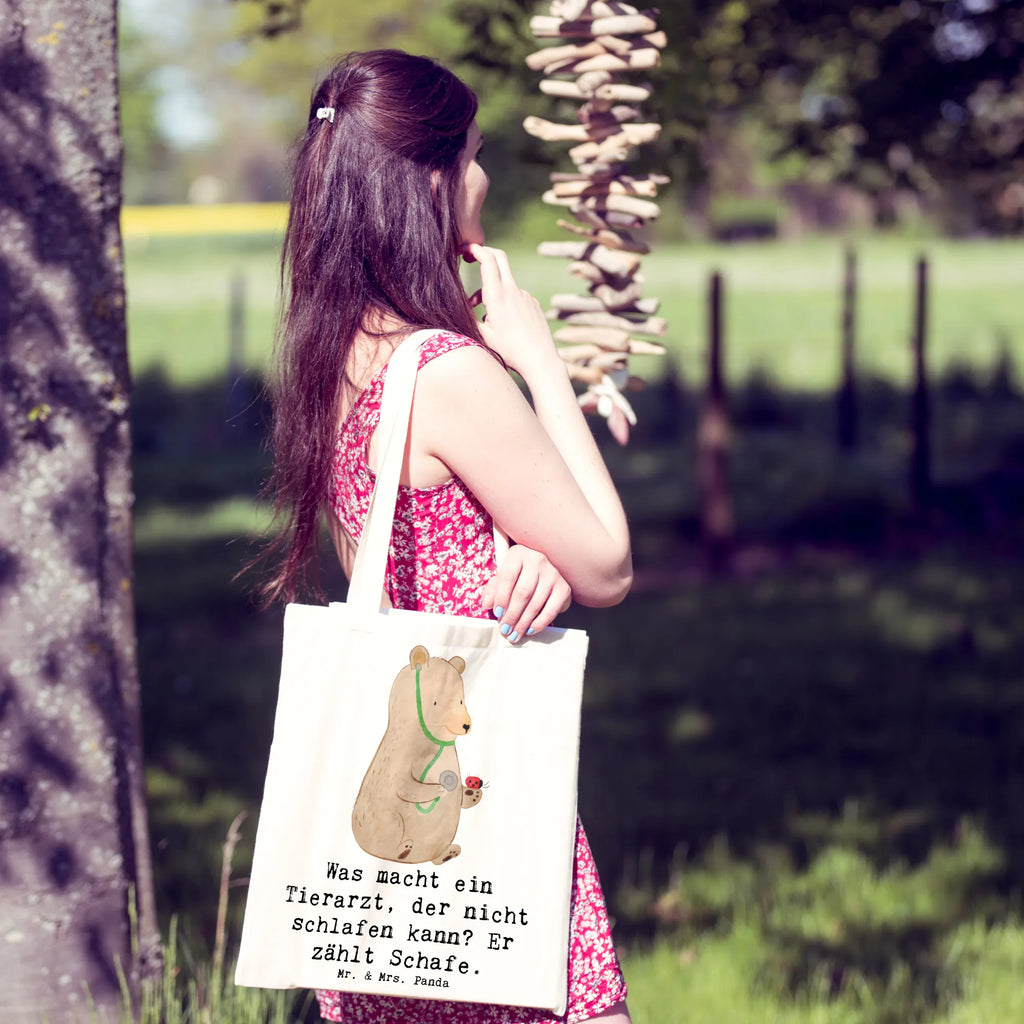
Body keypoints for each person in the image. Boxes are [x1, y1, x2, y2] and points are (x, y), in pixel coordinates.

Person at [260, 49, 633, 1024]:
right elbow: (607, 562)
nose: (484, 177)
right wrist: (541, 363)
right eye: (471, 154)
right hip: (480, 822)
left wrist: (513, 551)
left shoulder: (333, 354)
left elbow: (390, 557)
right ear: (428, 179)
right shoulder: (448, 372)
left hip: (384, 865)